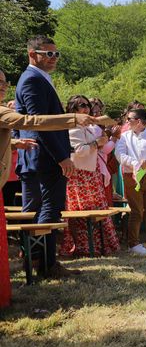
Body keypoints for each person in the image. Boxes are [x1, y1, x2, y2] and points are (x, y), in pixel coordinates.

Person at [0, 69, 99, 303]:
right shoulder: (28, 84)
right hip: (40, 161)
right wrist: (72, 119)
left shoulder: (7, 106)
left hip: (28, 162)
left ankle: (41, 261)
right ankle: (40, 261)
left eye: (4, 81)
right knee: (40, 211)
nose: (3, 86)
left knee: (41, 212)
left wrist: (14, 143)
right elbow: (29, 121)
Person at [15, 36, 79, 279]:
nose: (53, 58)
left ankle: (39, 263)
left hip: (41, 157)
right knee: (48, 212)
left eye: (56, 54)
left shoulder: (39, 79)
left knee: (43, 212)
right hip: (44, 157)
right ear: (32, 54)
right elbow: (39, 123)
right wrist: (62, 157)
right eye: (48, 54)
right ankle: (45, 265)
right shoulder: (32, 79)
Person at [60, 95, 119, 256]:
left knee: (98, 211)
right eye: (82, 106)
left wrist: (103, 140)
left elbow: (94, 148)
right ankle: (84, 247)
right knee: (82, 213)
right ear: (73, 109)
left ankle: (100, 246)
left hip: (90, 173)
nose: (86, 109)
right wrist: (97, 143)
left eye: (87, 106)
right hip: (79, 176)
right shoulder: (73, 128)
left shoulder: (85, 127)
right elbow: (79, 151)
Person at [115, 108, 146, 256]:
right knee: (136, 211)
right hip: (131, 177)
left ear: (139, 122)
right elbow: (119, 154)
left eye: (129, 119)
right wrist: (135, 163)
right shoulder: (124, 137)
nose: (126, 121)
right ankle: (133, 243)